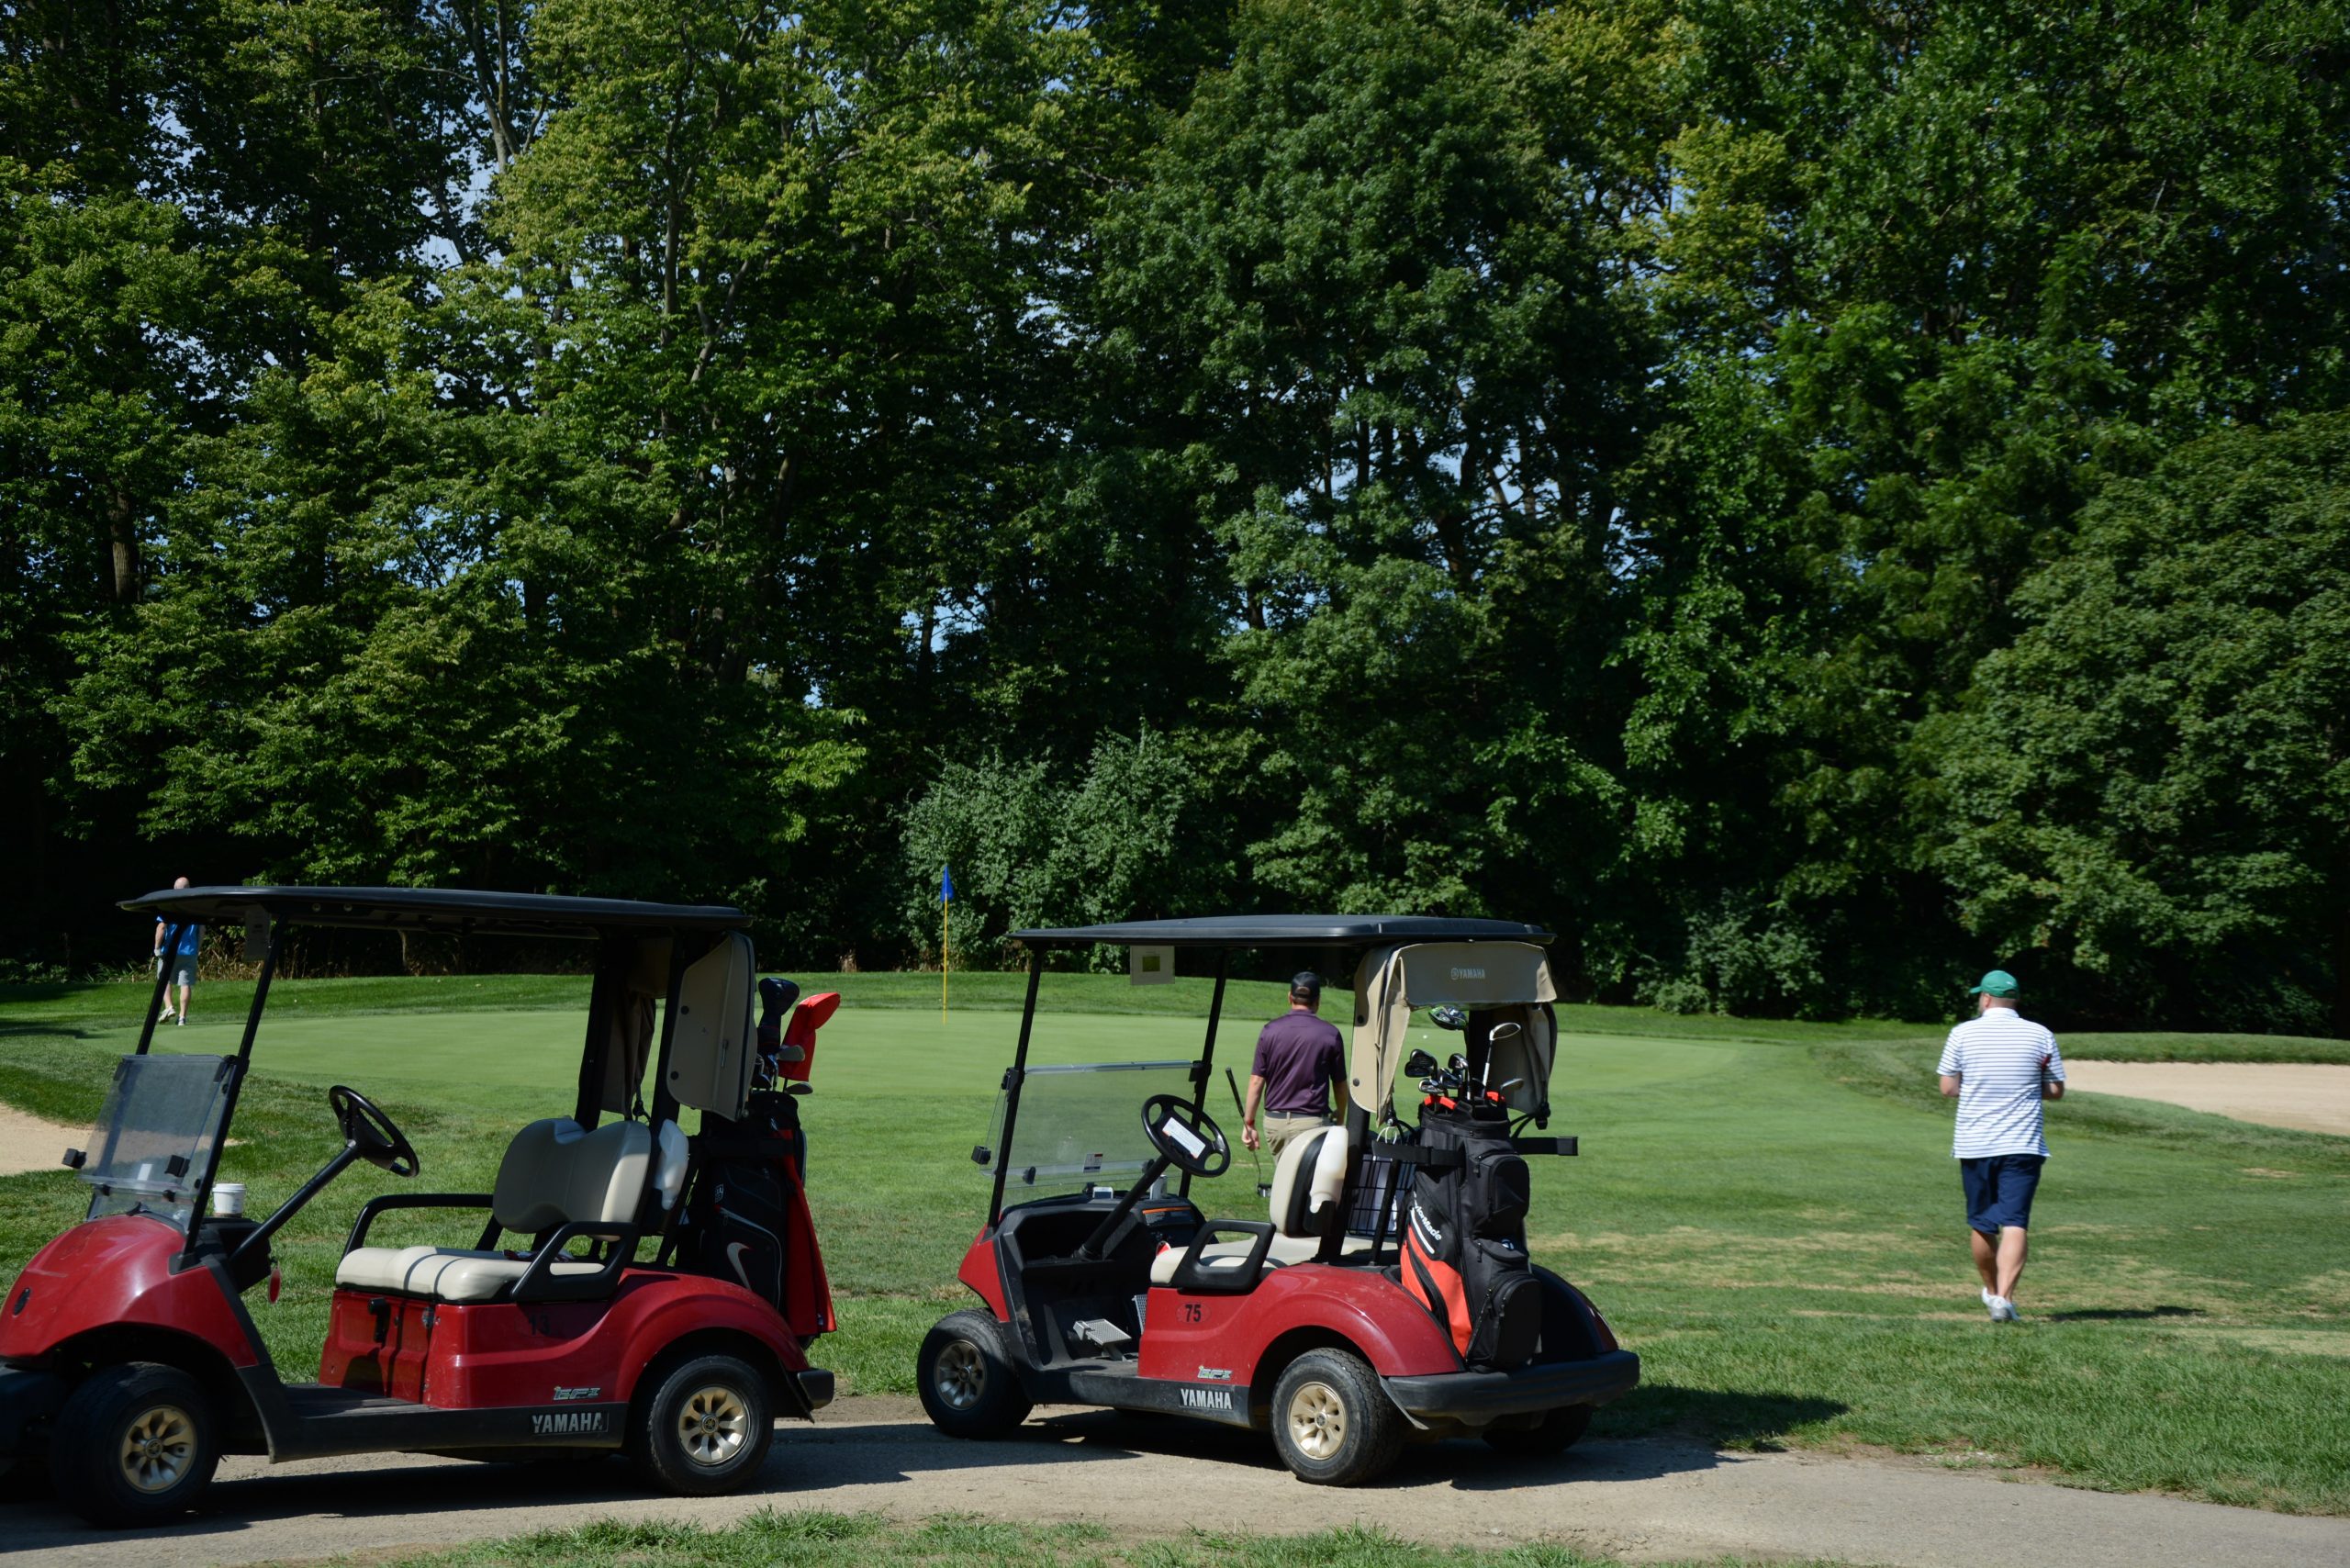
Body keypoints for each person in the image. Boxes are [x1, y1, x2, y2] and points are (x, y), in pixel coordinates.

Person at [1938, 969, 2065, 1323]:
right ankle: (2004, 1298)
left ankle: (1992, 1292)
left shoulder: (1962, 1033)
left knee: (1982, 1223)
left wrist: (1979, 1087)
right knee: (2015, 1222)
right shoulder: (2040, 1034)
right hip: (2023, 1142)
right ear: (2015, 1000)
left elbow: (1948, 1087)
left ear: (1986, 999)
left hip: (1975, 1142)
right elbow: (2056, 1090)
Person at [1242, 970, 1347, 1159]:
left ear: (1290, 997)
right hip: (1312, 1124)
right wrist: (1340, 1117)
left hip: (1275, 1123)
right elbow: (1339, 1085)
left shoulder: (1269, 1030)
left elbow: (1256, 1081)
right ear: (1318, 1000)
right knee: (1309, 1177)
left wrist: (1249, 1123)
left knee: (1284, 1175)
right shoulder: (1330, 1034)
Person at [152, 876, 200, 1026]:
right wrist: (197, 948)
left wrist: (157, 947)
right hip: (189, 951)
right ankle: (182, 1018)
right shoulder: (196, 907)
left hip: (170, 951)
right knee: (185, 984)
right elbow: (202, 929)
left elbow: (161, 927)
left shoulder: (169, 905)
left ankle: (169, 1007)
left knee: (165, 979)